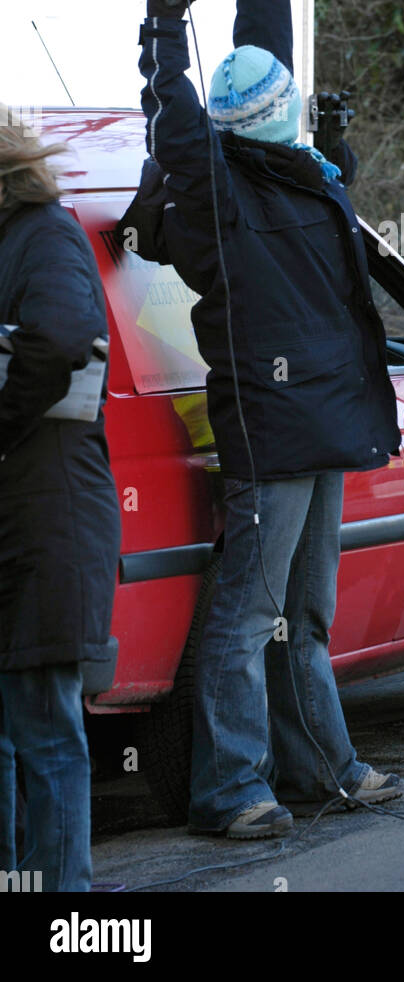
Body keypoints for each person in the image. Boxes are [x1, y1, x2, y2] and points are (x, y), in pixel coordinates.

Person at [136, 0, 404, 838]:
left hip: (323, 417)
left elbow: (260, 63)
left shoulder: (299, 168)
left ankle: (323, 769)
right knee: (252, 618)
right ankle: (232, 789)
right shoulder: (216, 189)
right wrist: (163, 35)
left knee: (304, 611)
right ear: (269, 120)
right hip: (273, 425)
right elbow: (176, 120)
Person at [0, 111, 121, 890]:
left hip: (50, 510)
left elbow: (62, 335)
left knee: (45, 729)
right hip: (30, 506)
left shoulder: (42, 234)